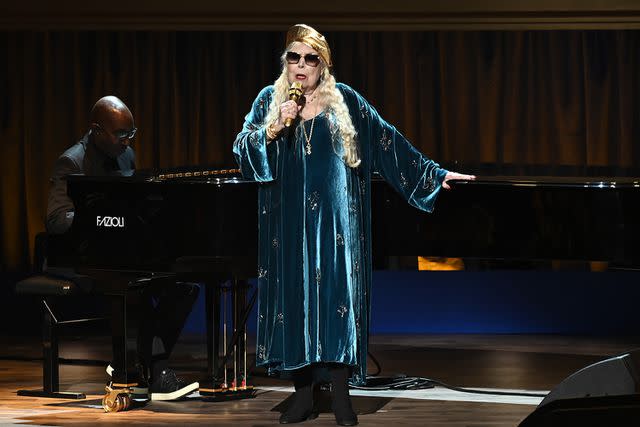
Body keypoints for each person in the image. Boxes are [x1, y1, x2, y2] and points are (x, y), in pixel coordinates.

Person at [233, 24, 475, 425]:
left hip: (337, 229)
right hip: (288, 227)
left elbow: (388, 142)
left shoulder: (346, 101)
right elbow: (242, 149)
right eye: (293, 57)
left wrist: (434, 174)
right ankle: (304, 395)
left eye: (310, 59)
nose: (301, 66)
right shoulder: (268, 100)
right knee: (294, 302)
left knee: (335, 303)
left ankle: (342, 395)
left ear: (323, 66)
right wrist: (275, 126)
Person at [46, 95, 200, 401]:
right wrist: (98, 217)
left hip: (119, 255)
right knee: (134, 288)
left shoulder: (126, 157)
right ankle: (155, 372)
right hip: (79, 259)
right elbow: (56, 219)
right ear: (96, 130)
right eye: (121, 135)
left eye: (132, 134)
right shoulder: (72, 161)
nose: (128, 142)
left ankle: (128, 365)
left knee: (184, 286)